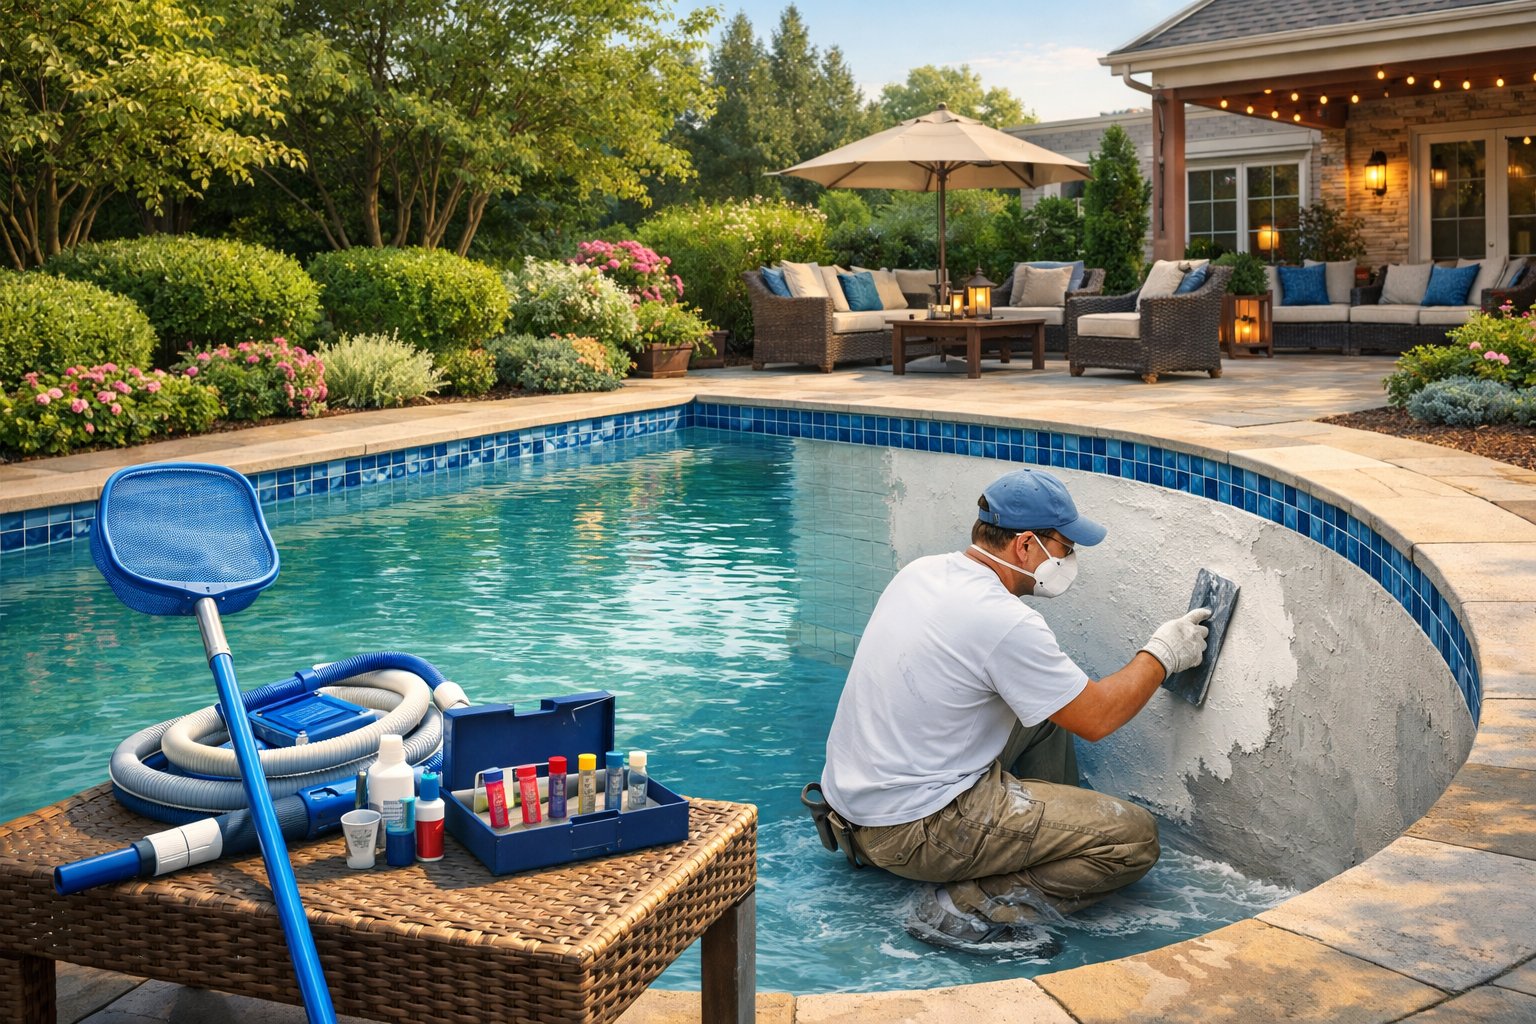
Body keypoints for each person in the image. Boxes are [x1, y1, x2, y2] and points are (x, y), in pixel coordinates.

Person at [818, 467, 1210, 952]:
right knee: (1131, 839)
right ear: (1026, 545)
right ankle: (972, 903)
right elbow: (1097, 718)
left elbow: (1068, 708)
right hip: (912, 830)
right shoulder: (1003, 620)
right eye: (1065, 547)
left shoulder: (922, 572)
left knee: (1047, 709)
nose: (1069, 559)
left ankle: (1041, 840)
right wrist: (1162, 654)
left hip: (854, 813)